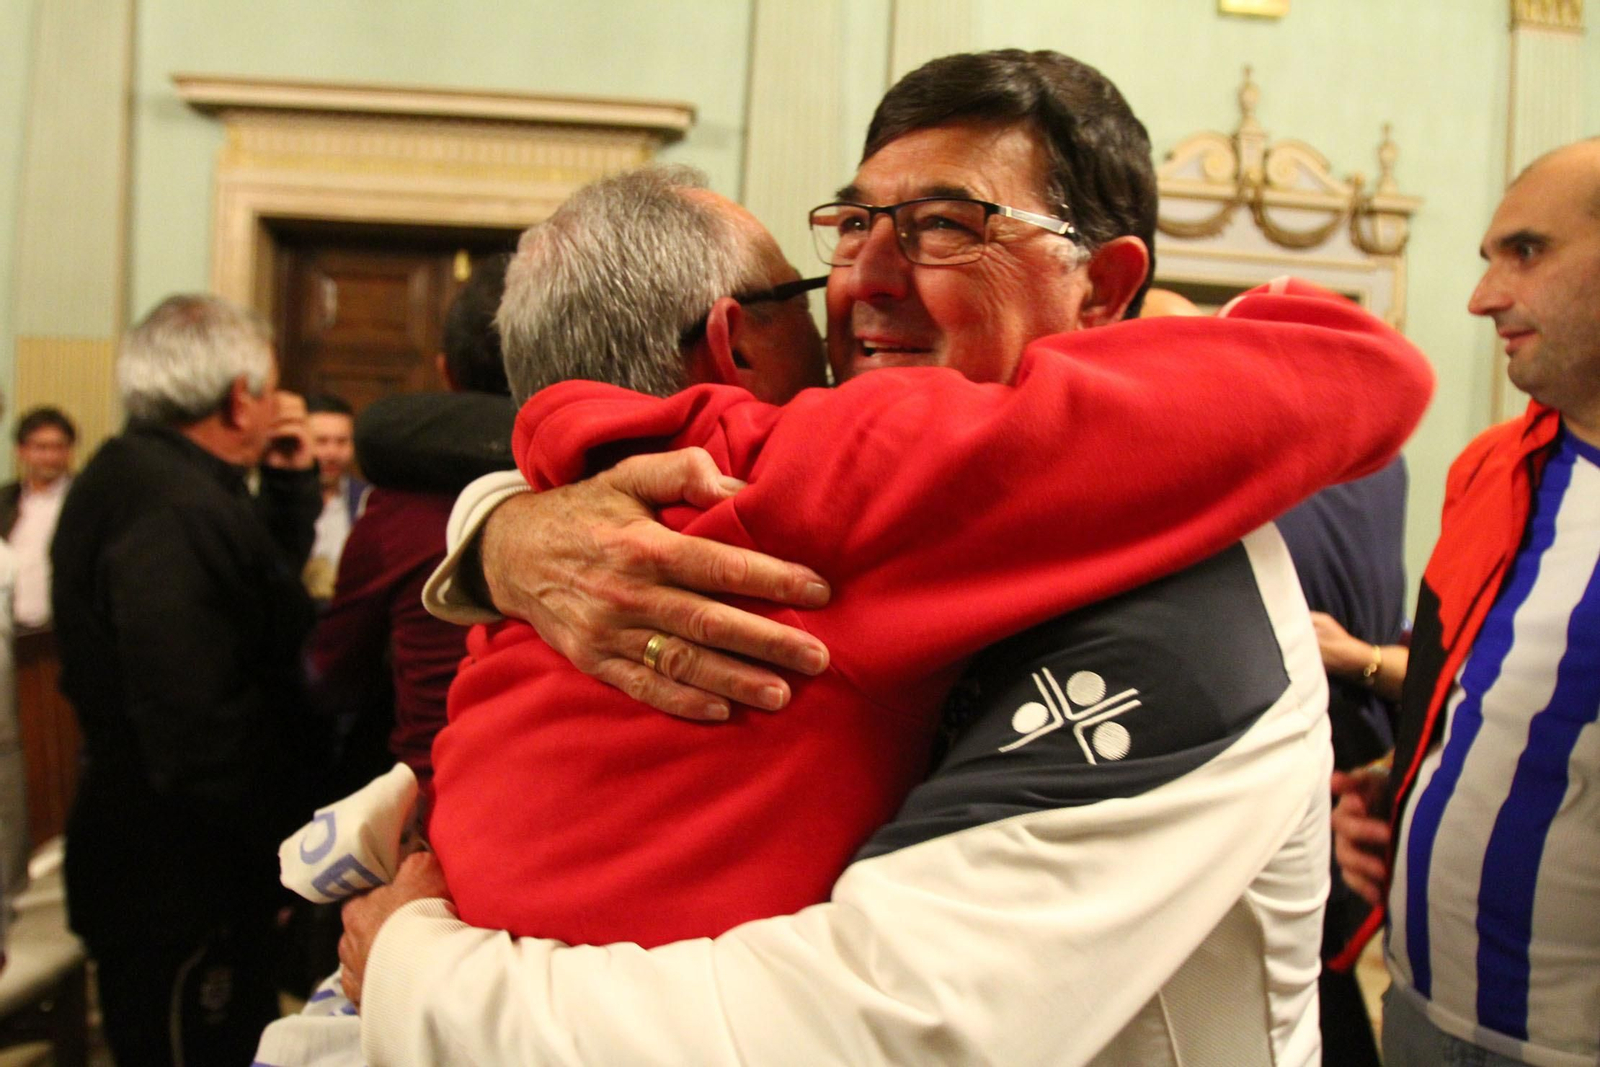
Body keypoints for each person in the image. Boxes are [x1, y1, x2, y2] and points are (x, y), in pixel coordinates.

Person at [343, 51, 1432, 1065]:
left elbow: (875, 1031)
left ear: (1101, 285)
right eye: (855, 222)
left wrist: (415, 969)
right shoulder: (773, 496)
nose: (865, 275)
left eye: (944, 226)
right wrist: (501, 535)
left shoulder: (1190, 612)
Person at [1331, 138, 1600, 1067]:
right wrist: (1405, 780)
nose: (1483, 297)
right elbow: (1466, 685)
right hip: (1419, 1000)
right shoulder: (1492, 467)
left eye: (1524, 252)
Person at [52, 294, 326, 1066]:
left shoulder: (157, 477)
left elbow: (243, 592)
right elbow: (194, 719)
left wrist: (286, 490)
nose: (276, 410)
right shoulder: (166, 505)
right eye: (270, 392)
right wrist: (269, 859)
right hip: (179, 876)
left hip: (175, 862)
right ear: (240, 399)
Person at [308, 254, 517, 797]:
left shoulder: (398, 510)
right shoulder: (614, 478)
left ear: (446, 370)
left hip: (438, 793)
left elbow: (333, 673)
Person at [0, 406, 77, 628]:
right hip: (9, 626)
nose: (50, 457)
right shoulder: (6, 500)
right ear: (21, 451)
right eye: (41, 447)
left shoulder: (84, 500)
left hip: (60, 629)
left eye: (59, 447)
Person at [304, 393, 370, 602]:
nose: (332, 452)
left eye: (342, 442)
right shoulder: (274, 499)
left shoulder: (367, 500)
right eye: (321, 441)